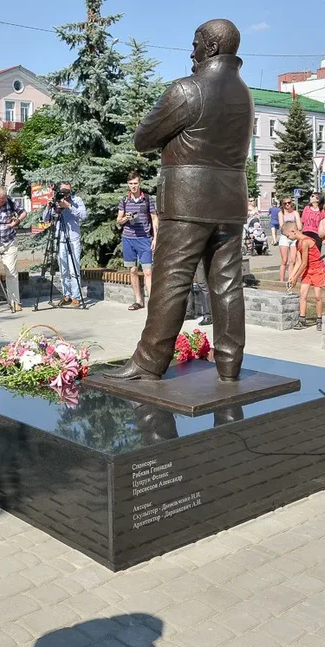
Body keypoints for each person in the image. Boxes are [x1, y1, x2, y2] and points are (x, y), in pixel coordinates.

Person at [105, 18, 253, 383]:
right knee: (227, 283)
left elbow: (143, 138)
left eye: (196, 44)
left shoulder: (188, 90)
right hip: (231, 200)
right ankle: (229, 365)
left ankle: (148, 362)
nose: (192, 52)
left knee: (171, 280)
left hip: (188, 201)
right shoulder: (244, 93)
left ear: (211, 47)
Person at [117, 171, 158, 311]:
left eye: (135, 183)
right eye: (131, 184)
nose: (133, 186)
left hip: (144, 239)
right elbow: (119, 220)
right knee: (133, 270)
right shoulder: (124, 200)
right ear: (128, 185)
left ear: (139, 183)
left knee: (148, 272)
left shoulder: (147, 199)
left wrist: (155, 238)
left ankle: (152, 304)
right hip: (128, 239)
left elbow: (154, 218)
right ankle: (138, 301)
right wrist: (126, 218)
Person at [42, 182, 87, 307]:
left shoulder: (77, 200)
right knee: (64, 270)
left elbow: (84, 215)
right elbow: (45, 219)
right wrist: (48, 207)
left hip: (73, 239)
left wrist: (69, 206)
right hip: (60, 238)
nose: (66, 193)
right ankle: (66, 295)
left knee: (74, 269)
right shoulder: (56, 200)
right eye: (63, 190)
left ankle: (76, 297)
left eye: (68, 191)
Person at [283, 221, 325, 330]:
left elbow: (304, 263)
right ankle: (302, 320)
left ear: (293, 231)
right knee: (303, 295)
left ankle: (319, 319)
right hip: (307, 270)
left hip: (317, 269)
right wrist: (291, 277)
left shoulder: (306, 241)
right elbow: (298, 262)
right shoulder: (297, 243)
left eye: (288, 236)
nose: (288, 238)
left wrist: (296, 278)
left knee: (317, 296)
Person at [277, 197, 301, 285]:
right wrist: (289, 232)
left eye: (289, 202)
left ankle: (290, 279)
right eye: (285, 203)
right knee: (284, 260)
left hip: (294, 237)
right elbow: (282, 227)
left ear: (291, 203)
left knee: (293, 260)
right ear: (282, 204)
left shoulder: (295, 213)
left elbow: (299, 226)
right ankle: (281, 281)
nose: (287, 204)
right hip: (285, 237)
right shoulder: (281, 213)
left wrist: (295, 232)